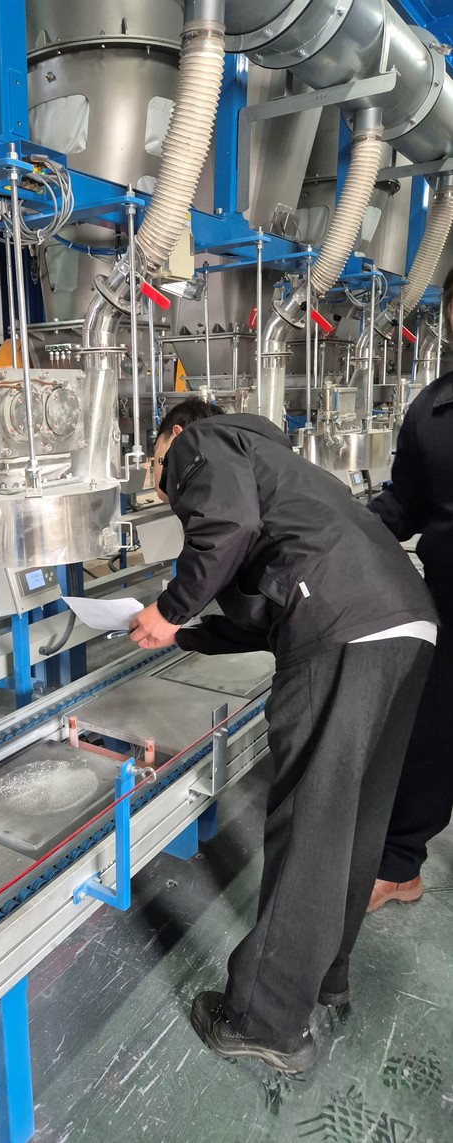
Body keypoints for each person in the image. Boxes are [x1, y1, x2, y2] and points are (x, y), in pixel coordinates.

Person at [129, 396, 435, 1073]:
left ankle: (264, 1020)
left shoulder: (204, 441)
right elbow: (258, 613)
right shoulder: (279, 469)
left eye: (155, 464)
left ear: (175, 435)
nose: (160, 480)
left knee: (310, 825)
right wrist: (185, 633)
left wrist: (169, 608)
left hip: (342, 630)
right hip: (406, 624)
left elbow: (225, 525)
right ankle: (324, 975)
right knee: (355, 821)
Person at [366, 267, 453, 912]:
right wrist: (347, 525)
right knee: (428, 732)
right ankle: (400, 866)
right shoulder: (434, 409)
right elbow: (407, 502)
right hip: (447, 603)